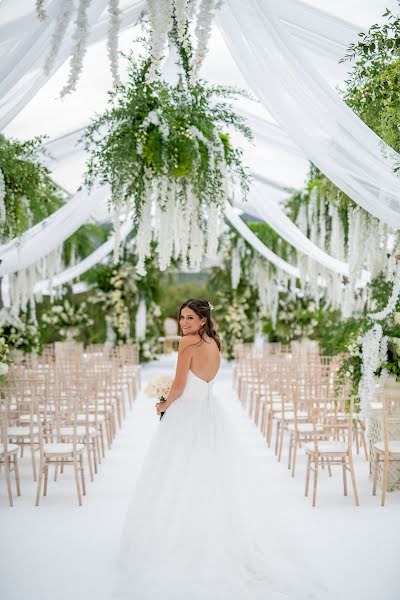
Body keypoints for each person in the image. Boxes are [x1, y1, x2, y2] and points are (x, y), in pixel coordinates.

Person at [115, 299, 325, 600]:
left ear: (203, 320)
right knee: (210, 477)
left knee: (177, 476)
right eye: (181, 317)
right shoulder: (213, 341)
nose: (184, 323)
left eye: (190, 318)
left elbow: (178, 385)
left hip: (187, 413)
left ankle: (184, 540)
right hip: (210, 411)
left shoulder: (188, 342)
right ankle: (210, 535)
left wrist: (164, 403)